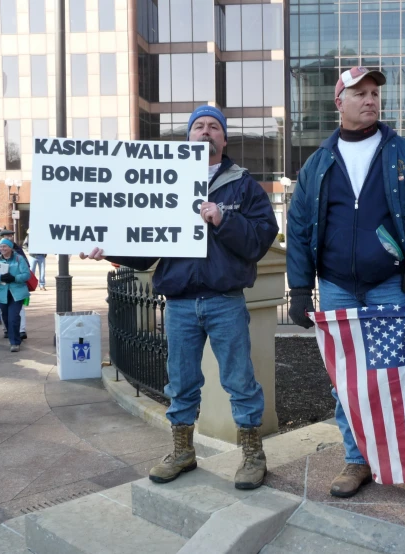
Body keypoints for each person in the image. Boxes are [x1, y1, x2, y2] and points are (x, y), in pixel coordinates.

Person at [286, 67, 405, 520]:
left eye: (375, 93)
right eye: (359, 93)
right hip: (339, 289)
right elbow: (300, 228)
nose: (370, 100)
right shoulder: (317, 163)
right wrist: (300, 289)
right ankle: (357, 459)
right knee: (349, 384)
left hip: (390, 286)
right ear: (338, 102)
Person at [81, 105, 278, 490]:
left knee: (239, 380)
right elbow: (146, 248)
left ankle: (253, 455)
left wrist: (223, 218)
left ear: (224, 139)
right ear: (188, 137)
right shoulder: (164, 183)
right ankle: (183, 452)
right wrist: (110, 249)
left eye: (214, 127)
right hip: (181, 303)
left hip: (225, 300)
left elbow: (259, 240)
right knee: (181, 381)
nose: (206, 132)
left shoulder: (244, 186)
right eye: (198, 127)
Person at [0, 238, 30, 352]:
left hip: (16, 293)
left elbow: (27, 275)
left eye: (5, 246)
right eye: (1, 246)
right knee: (6, 318)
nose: (2, 248)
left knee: (13, 317)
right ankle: (13, 336)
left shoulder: (19, 258)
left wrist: (14, 278)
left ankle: (15, 342)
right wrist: (0, 277)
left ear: (10, 247)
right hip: (2, 293)